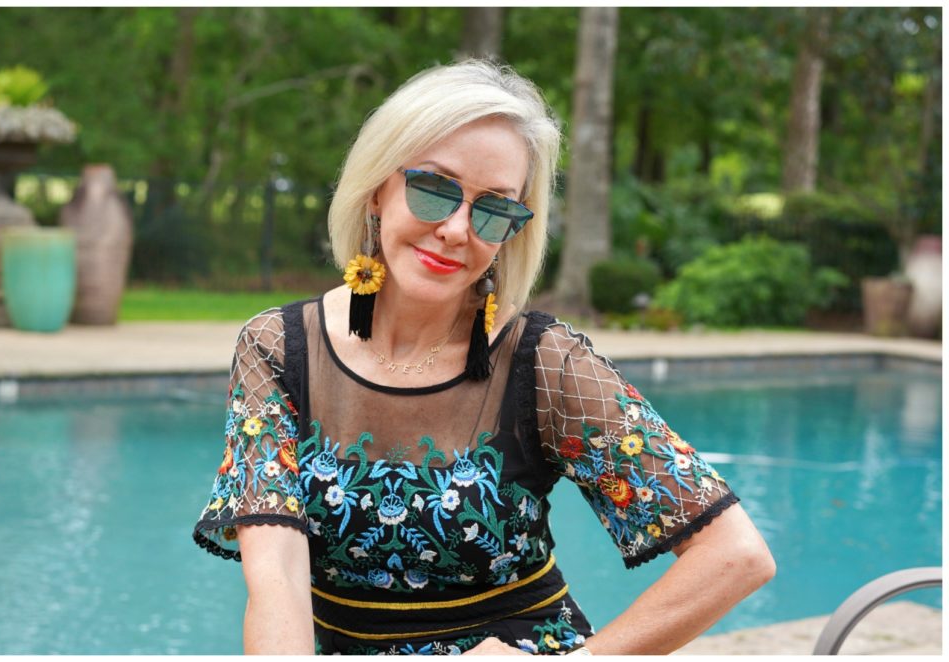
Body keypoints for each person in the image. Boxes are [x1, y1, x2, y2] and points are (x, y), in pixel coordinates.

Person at [192, 59, 775, 655]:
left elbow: (735, 555)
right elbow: (277, 580)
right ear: (375, 190)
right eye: (433, 188)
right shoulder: (277, 348)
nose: (456, 228)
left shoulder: (547, 363)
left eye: (494, 209)